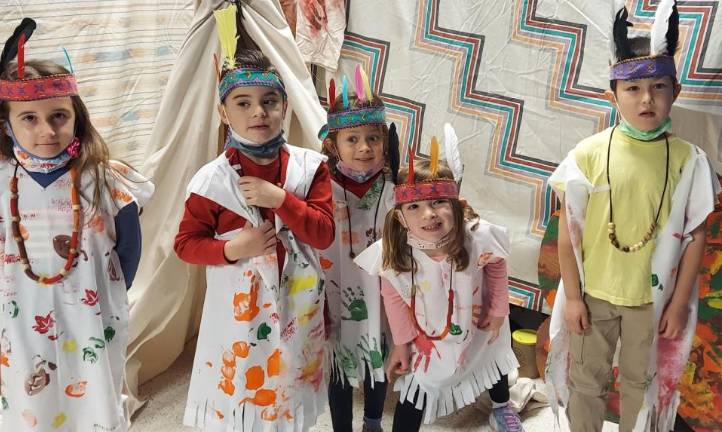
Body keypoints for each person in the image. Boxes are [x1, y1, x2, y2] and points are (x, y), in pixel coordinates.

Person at [0, 18, 152, 431]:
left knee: (95, 397)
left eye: (58, 116)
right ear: (6, 124)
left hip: (94, 315)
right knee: (34, 401)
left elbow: (128, 253)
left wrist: (99, 294)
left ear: (76, 117)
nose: (46, 129)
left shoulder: (107, 181)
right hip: (23, 316)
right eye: (29, 118)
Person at [545, 1, 720, 430]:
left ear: (674, 92)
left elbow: (696, 236)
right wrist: (571, 297)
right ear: (613, 94)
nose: (647, 99)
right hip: (596, 296)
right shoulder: (586, 155)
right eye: (633, 89)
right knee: (587, 382)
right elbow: (569, 233)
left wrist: (679, 304)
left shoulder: (689, 161)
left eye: (659, 87)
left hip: (651, 302)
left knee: (642, 387)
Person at [173, 4, 335, 430]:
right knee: (244, 392)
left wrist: (280, 198)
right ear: (225, 113)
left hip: (298, 303)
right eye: (243, 103)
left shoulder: (309, 168)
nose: (258, 112)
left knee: (290, 389)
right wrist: (232, 248)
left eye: (269, 101)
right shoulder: (211, 181)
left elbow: (322, 234)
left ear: (285, 106)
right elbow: (186, 244)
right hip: (238, 313)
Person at [355, 141, 522, 431]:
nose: (428, 214)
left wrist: (497, 309)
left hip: (481, 323)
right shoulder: (393, 251)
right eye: (415, 206)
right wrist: (402, 344)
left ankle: (501, 406)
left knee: (493, 364)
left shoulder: (477, 236)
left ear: (456, 207)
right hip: (430, 336)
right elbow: (392, 295)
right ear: (401, 217)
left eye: (438, 203)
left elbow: (496, 264)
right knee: (419, 388)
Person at [318, 66, 399, 432]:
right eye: (352, 139)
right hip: (335, 289)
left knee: (376, 359)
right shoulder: (319, 186)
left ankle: (371, 422)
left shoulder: (396, 188)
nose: (364, 148)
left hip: (383, 293)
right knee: (338, 363)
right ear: (334, 144)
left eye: (373, 138)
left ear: (385, 140)